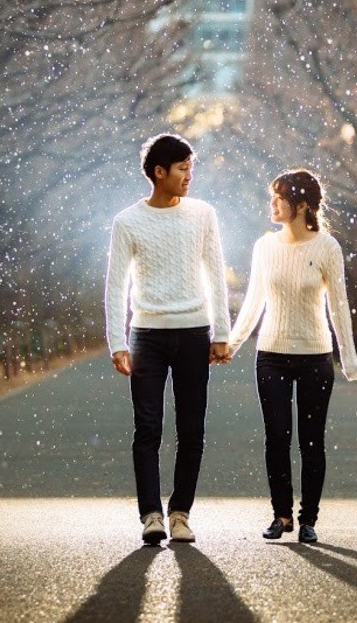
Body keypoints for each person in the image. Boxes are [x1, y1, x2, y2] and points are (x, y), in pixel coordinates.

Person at [104, 133, 232, 546]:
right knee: (148, 428)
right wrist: (117, 342)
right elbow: (115, 285)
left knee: (192, 429)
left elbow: (216, 272)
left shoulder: (202, 214)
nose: (189, 176)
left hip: (195, 331)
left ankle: (180, 513)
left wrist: (222, 332)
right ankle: (150, 515)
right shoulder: (128, 221)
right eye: (182, 169)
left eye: (191, 168)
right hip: (147, 335)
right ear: (159, 173)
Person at [229, 169, 357, 544]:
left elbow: (339, 306)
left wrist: (347, 357)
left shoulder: (327, 248)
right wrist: (231, 345)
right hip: (271, 353)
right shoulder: (264, 247)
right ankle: (281, 514)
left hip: (315, 356)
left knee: (311, 440)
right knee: (276, 435)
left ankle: (308, 520)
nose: (272, 204)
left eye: (279, 198)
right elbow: (254, 301)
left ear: (302, 204)